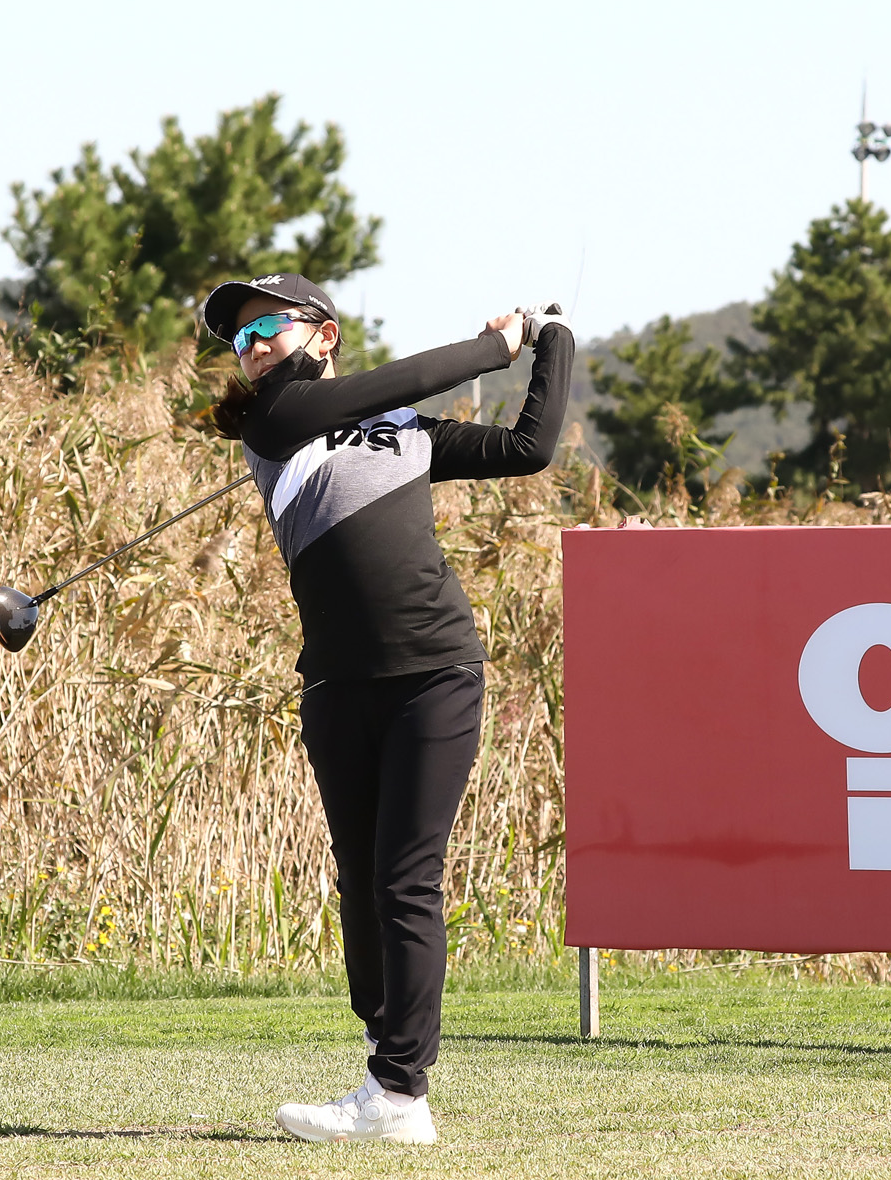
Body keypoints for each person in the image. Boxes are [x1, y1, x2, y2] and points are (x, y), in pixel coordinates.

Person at [200, 273, 573, 1145]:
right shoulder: (273, 422)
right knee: (360, 880)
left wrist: (550, 338)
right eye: (240, 340)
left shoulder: (407, 431)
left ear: (323, 334)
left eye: (266, 328)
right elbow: (390, 384)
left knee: (406, 878)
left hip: (436, 670)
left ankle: (399, 1091)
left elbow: (529, 448)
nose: (252, 348)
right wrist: (491, 348)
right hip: (337, 683)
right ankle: (383, 1057)